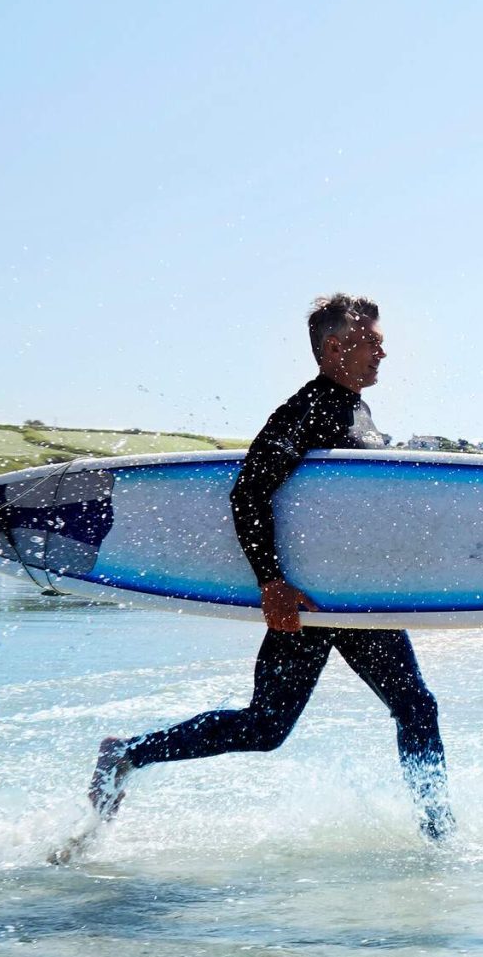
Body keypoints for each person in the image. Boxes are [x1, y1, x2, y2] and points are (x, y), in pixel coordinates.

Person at [51, 294, 454, 861]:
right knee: (268, 726)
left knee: (412, 708)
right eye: (372, 341)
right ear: (335, 346)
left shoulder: (357, 410)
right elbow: (249, 491)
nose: (383, 351)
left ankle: (439, 835)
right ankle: (127, 753)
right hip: (307, 598)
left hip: (352, 600)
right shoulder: (307, 410)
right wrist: (272, 582)